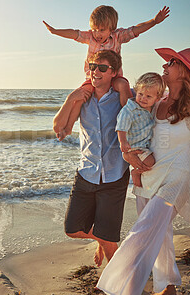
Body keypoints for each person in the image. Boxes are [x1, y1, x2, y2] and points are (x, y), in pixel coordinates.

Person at [97, 48, 190, 295]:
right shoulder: (155, 101)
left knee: (145, 229)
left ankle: (118, 288)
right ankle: (167, 287)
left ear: (185, 72)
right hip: (149, 177)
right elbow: (126, 103)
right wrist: (127, 153)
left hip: (178, 180)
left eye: (172, 62)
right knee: (159, 234)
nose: (165, 65)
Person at [44, 5, 170, 140]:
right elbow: (75, 33)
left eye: (102, 30)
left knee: (122, 85)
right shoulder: (90, 37)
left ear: (112, 28)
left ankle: (130, 119)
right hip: (92, 79)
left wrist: (154, 21)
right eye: (94, 29)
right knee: (81, 96)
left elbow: (135, 30)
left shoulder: (118, 36)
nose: (97, 34)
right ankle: (68, 128)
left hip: (115, 77)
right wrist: (55, 31)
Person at [53, 50, 129, 267]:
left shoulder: (122, 97)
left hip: (114, 175)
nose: (95, 71)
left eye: (102, 68)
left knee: (109, 239)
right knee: (72, 229)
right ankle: (102, 239)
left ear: (113, 72)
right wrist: (70, 98)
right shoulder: (82, 97)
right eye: (93, 66)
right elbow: (59, 128)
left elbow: (140, 114)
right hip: (86, 172)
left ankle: (120, 283)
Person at [116, 72, 166, 187]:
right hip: (134, 146)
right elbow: (121, 127)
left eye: (148, 96)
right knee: (150, 163)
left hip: (144, 144)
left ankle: (140, 182)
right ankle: (135, 174)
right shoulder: (130, 110)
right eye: (140, 94)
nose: (143, 98)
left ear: (157, 98)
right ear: (136, 91)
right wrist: (122, 142)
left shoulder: (152, 107)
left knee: (152, 163)